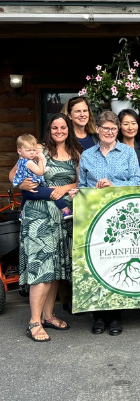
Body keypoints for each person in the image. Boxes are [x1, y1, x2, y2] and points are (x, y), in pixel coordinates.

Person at [13, 113, 81, 342]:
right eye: (54, 127)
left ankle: (49, 315)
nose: (59, 131)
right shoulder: (38, 149)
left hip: (63, 217)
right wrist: (21, 183)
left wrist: (65, 188)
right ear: (49, 130)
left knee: (54, 269)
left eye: (63, 127)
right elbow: (14, 174)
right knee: (40, 266)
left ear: (68, 129)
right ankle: (34, 321)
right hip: (39, 216)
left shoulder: (75, 153)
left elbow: (80, 182)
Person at [78, 110, 140, 336]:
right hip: (94, 217)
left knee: (117, 264)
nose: (109, 132)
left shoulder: (127, 152)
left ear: (118, 131)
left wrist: (113, 184)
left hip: (121, 215)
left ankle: (115, 316)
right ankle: (98, 316)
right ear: (97, 130)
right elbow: (81, 186)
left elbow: (137, 181)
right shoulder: (87, 155)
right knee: (97, 263)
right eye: (105, 128)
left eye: (113, 129)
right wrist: (91, 189)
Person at [12, 134, 71, 218]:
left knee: (24, 198)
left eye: (34, 150)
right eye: (28, 150)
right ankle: (66, 211)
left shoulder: (20, 161)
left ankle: (22, 213)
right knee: (53, 193)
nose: (32, 153)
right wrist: (39, 161)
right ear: (19, 151)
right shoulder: (29, 162)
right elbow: (40, 172)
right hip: (35, 188)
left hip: (26, 191)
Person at [117, 108, 140, 185]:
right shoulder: (115, 149)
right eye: (126, 124)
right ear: (119, 126)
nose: (130, 127)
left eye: (133, 123)